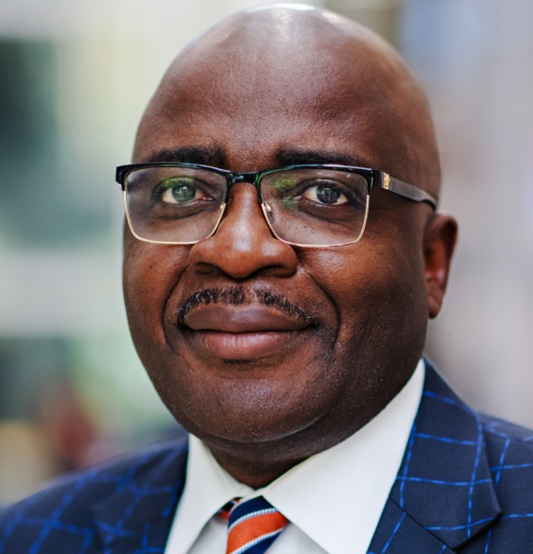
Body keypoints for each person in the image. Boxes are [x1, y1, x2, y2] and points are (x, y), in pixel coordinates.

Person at [1, 5, 533, 553]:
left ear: (431, 260)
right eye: (182, 191)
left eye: (323, 193)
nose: (236, 250)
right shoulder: (29, 538)